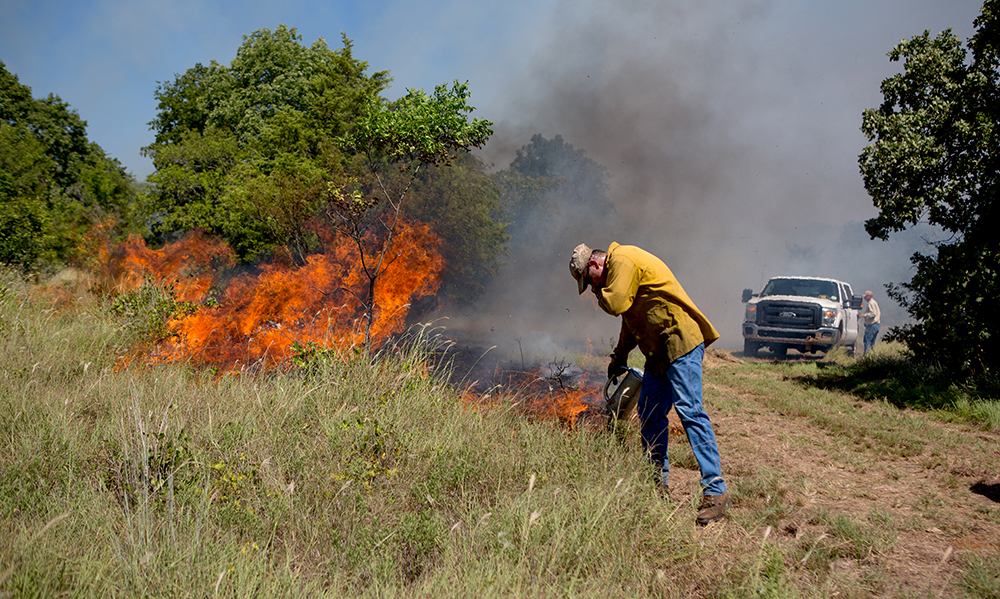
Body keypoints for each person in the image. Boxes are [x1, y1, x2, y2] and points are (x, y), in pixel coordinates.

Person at [569, 242, 730, 525]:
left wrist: (600, 292)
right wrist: (618, 357)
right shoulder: (621, 273)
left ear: (594, 265)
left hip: (680, 342)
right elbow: (629, 320)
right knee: (650, 416)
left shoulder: (623, 259)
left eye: (590, 282)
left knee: (691, 412)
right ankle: (657, 486)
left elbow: (616, 305)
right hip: (658, 352)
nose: (593, 289)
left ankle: (716, 493)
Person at [859, 290, 880, 354]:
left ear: (869, 296)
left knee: (867, 341)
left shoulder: (871, 303)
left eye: (866, 296)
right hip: (876, 325)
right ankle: (874, 355)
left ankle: (867, 356)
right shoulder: (874, 303)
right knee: (872, 342)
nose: (864, 298)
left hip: (872, 325)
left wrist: (864, 315)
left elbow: (873, 314)